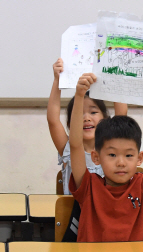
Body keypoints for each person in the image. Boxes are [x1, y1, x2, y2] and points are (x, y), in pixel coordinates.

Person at [68, 73, 143, 242]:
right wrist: (79, 96)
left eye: (128, 155)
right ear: (96, 157)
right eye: (112, 155)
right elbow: (75, 145)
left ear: (139, 158)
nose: (120, 162)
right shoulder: (88, 186)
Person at [48, 58, 127, 194]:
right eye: (80, 113)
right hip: (79, 215)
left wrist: (114, 75)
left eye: (93, 112)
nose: (86, 118)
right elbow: (53, 120)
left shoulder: (113, 146)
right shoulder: (67, 148)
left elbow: (122, 115)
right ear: (70, 124)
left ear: (106, 119)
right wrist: (57, 80)